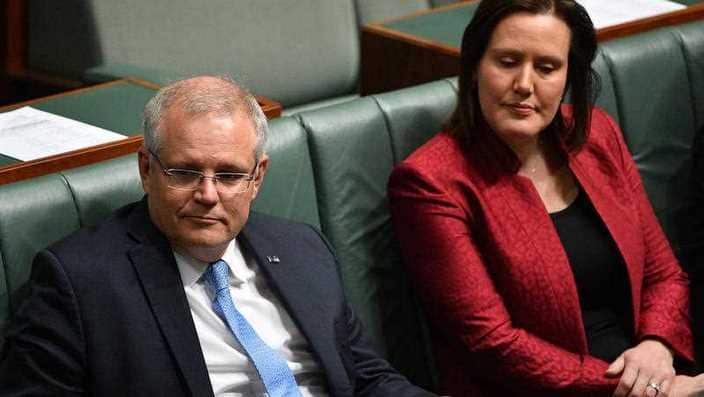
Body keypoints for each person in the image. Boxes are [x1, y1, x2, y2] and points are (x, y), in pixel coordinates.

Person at [0, 76, 436, 397]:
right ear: (147, 170)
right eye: (185, 172)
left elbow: (364, 376)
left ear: (257, 177)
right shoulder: (78, 280)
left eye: (229, 175)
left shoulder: (303, 248)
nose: (208, 195)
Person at [388, 0, 694, 396]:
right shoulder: (429, 182)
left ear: (569, 76)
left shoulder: (597, 136)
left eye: (547, 67)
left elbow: (663, 275)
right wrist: (637, 388)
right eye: (508, 61)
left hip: (653, 374)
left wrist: (657, 345)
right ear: (475, 67)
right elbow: (492, 344)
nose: (524, 85)